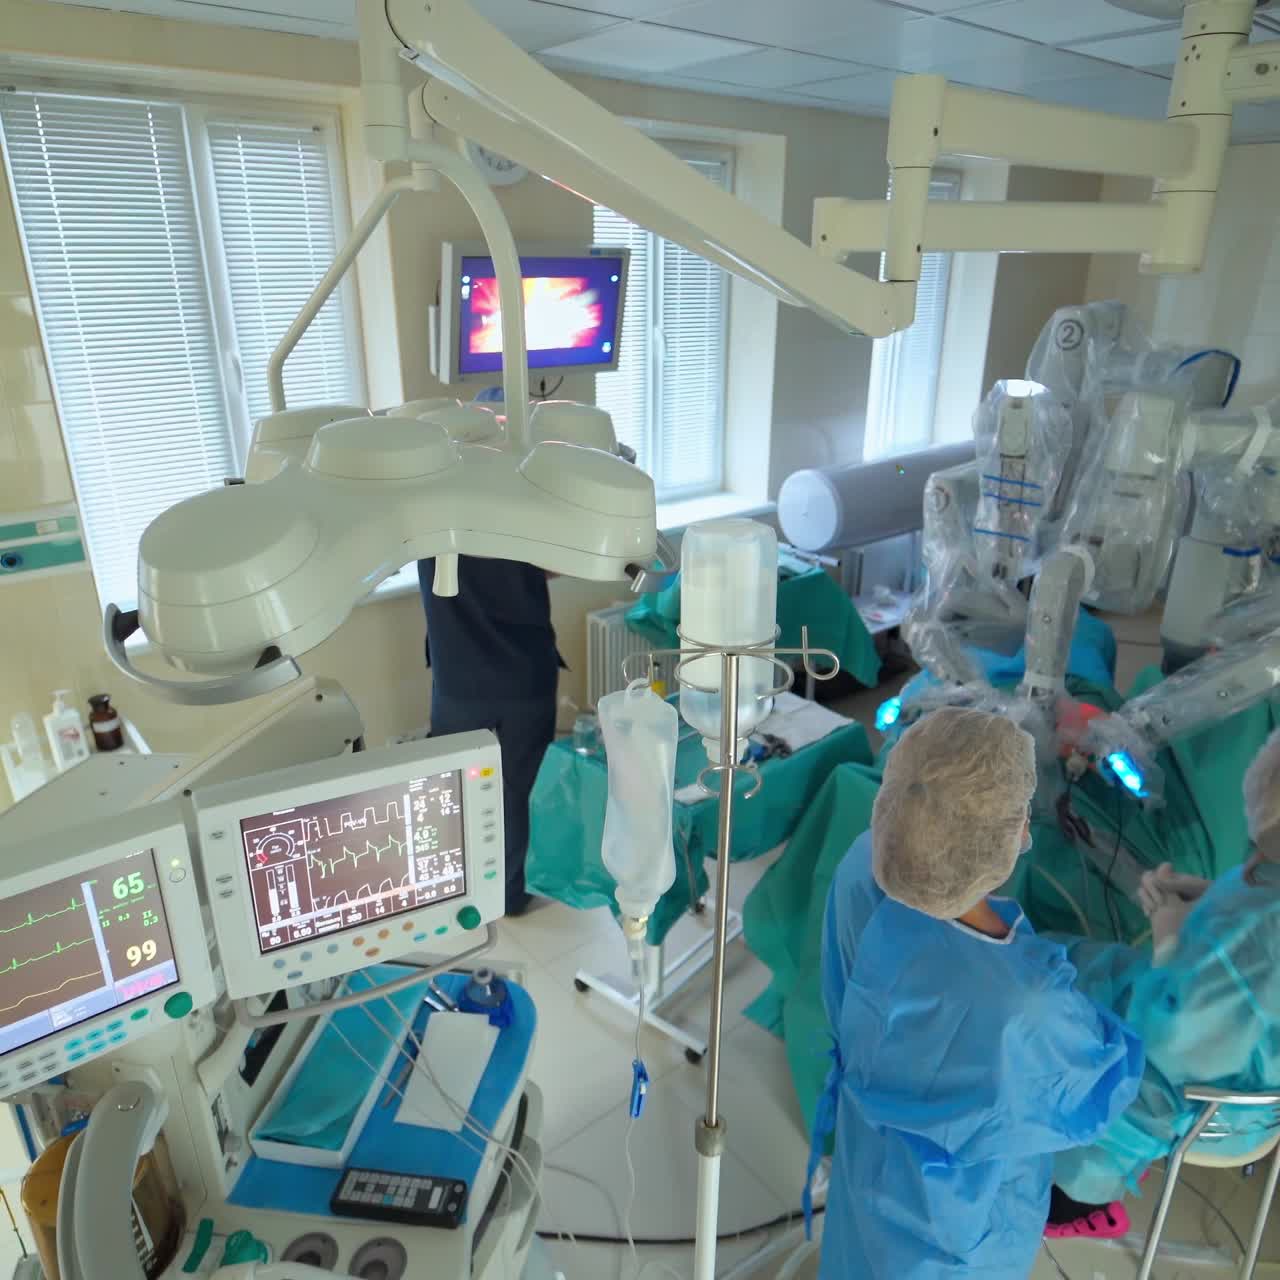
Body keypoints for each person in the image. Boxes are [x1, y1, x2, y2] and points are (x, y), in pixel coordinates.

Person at [813, 706, 1144, 1279]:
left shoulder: (859, 870)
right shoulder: (1028, 1002)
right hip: (964, 1231)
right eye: (1021, 816)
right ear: (1012, 836)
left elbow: (846, 1002)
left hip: (868, 1165)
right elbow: (1095, 1089)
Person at [1049, 725, 1280, 1235]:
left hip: (1210, 1117)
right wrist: (1216, 901)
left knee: (1052, 982)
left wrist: (1171, 945)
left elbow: (1162, 1058)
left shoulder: (1253, 946)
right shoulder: (1258, 919)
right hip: (1239, 1072)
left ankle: (1073, 1201)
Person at [418, 554, 561, 917]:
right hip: (524, 671)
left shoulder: (425, 504)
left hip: (459, 676)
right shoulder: (527, 500)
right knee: (518, 792)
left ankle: (457, 891)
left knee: (456, 793)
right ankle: (509, 894)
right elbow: (555, 564)